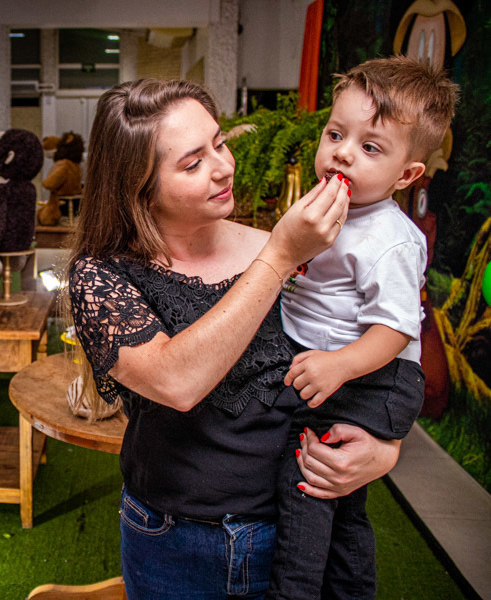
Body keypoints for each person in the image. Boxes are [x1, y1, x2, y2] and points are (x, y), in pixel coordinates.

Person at [67, 78, 402, 599]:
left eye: (219, 143)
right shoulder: (102, 276)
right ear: (139, 184)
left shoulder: (279, 245)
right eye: (192, 162)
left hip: (295, 532)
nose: (224, 167)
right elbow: (176, 381)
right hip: (173, 539)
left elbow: (373, 348)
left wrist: (385, 445)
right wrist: (280, 259)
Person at [268, 57, 459, 599]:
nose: (343, 152)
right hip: (335, 365)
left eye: (370, 147)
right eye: (335, 133)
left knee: (307, 485)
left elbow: (397, 331)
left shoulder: (390, 238)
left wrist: (338, 364)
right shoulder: (330, 207)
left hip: (372, 376)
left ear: (406, 175)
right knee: (344, 511)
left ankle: (295, 591)